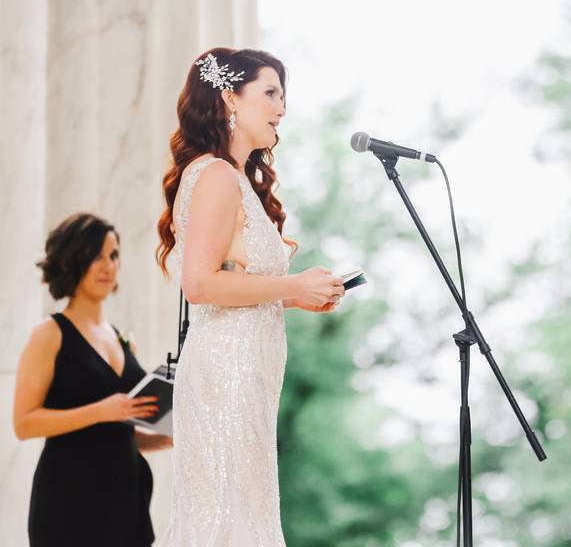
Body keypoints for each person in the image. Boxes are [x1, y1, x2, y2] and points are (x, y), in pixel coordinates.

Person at [155, 48, 345, 545]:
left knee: (242, 512)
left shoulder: (235, 179)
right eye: (271, 93)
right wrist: (291, 285)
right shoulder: (216, 176)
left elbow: (230, 283)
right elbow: (199, 285)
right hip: (226, 375)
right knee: (223, 517)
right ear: (229, 100)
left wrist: (297, 297)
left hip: (249, 375)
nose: (282, 107)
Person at [13, 212, 171, 546]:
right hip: (69, 501)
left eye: (113, 255)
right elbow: (24, 423)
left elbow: (113, 431)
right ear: (71, 261)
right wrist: (101, 411)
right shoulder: (50, 333)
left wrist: (159, 440)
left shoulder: (122, 339)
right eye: (96, 256)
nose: (108, 265)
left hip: (126, 501)